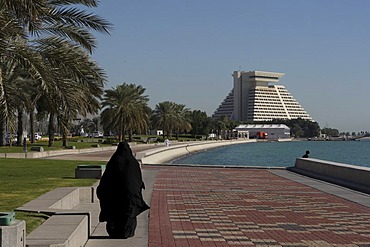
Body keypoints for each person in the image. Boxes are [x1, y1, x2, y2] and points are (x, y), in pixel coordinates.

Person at [97, 141, 150, 239]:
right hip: (130, 195)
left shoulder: (114, 161)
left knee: (115, 210)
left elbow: (106, 180)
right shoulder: (133, 162)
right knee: (129, 211)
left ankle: (115, 231)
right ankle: (127, 231)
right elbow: (137, 179)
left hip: (114, 195)